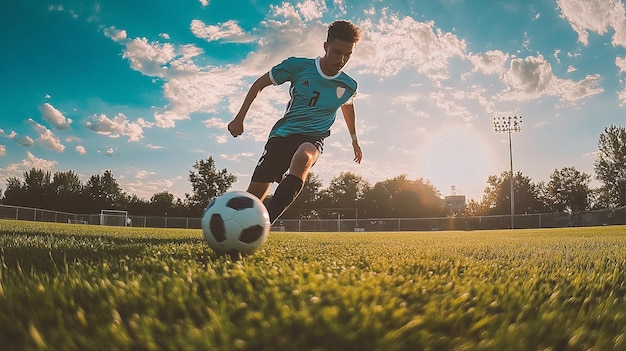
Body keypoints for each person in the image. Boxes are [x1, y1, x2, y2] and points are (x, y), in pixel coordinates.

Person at [228, 20, 363, 225]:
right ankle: (233, 225)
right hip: (282, 136)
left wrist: (354, 140)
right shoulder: (298, 66)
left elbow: (347, 106)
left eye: (348, 55)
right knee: (252, 199)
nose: (341, 59)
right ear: (326, 46)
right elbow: (260, 83)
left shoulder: (349, 85)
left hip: (313, 137)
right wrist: (239, 118)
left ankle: (264, 225)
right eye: (337, 52)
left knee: (304, 156)